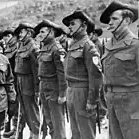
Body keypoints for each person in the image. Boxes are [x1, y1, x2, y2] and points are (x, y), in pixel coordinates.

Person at [100, 1, 139, 139]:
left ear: (127, 20)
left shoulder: (135, 45)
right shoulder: (108, 45)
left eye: (114, 19)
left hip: (131, 103)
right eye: (110, 19)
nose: (110, 22)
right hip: (111, 100)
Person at [62, 10, 103, 139]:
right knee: (75, 131)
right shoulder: (72, 45)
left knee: (86, 131)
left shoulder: (88, 46)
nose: (69, 27)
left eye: (73, 24)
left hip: (83, 92)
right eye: (69, 24)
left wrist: (92, 100)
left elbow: (95, 76)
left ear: (84, 26)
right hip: (71, 90)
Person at [34, 19, 67, 139]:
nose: (40, 34)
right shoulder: (44, 48)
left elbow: (62, 73)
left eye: (43, 32)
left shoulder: (57, 49)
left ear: (51, 32)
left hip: (54, 88)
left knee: (57, 122)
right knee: (49, 120)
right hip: (44, 86)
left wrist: (63, 94)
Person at [13, 22, 40, 139]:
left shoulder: (33, 47)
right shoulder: (21, 45)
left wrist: (37, 89)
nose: (19, 35)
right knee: (23, 110)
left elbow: (36, 70)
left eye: (22, 32)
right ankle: (25, 133)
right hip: (20, 82)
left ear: (29, 32)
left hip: (28, 82)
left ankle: (35, 134)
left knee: (31, 110)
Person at [2, 27, 19, 138]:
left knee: (15, 105)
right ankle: (9, 128)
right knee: (10, 104)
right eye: (4, 37)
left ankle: (16, 129)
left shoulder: (17, 47)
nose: (5, 39)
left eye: (7, 36)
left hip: (16, 79)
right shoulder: (7, 48)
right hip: (8, 79)